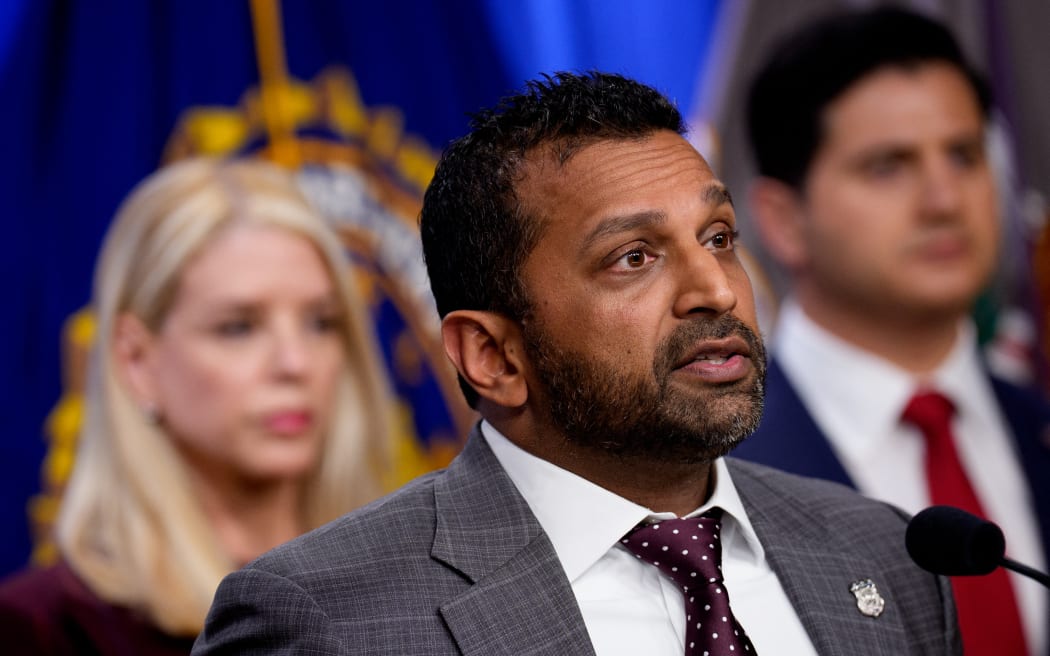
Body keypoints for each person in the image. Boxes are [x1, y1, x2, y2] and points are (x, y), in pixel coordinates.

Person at [192, 71, 958, 655]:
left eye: (719, 237)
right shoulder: (328, 621)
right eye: (634, 257)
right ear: (493, 356)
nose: (716, 290)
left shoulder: (886, 555)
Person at [731, 7, 1050, 656]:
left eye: (964, 155)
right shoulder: (707, 466)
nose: (944, 199)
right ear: (783, 220)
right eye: (888, 166)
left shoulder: (1038, 425)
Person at [0, 157, 394, 653]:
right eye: (239, 327)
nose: (296, 363)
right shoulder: (37, 631)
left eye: (320, 322)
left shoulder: (415, 598)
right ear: (137, 361)